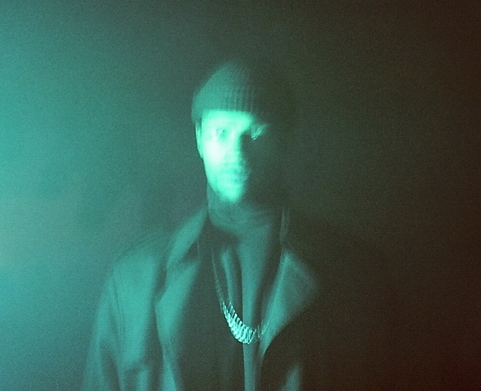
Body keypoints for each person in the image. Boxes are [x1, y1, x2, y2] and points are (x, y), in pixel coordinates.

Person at [82, 59, 396, 390]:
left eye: (255, 132)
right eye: (221, 132)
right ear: (199, 138)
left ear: (284, 140)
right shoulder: (136, 278)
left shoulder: (351, 273)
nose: (237, 151)